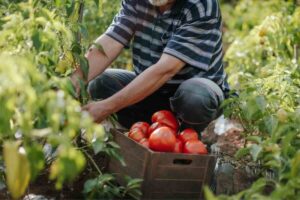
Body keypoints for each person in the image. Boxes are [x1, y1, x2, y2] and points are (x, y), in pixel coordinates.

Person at [71, 0, 230, 133]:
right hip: (152, 91)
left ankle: (191, 136)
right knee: (102, 83)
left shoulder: (201, 6)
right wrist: (71, 83)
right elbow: (111, 41)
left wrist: (106, 107)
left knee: (195, 97)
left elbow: (165, 70)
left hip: (191, 96)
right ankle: (149, 133)